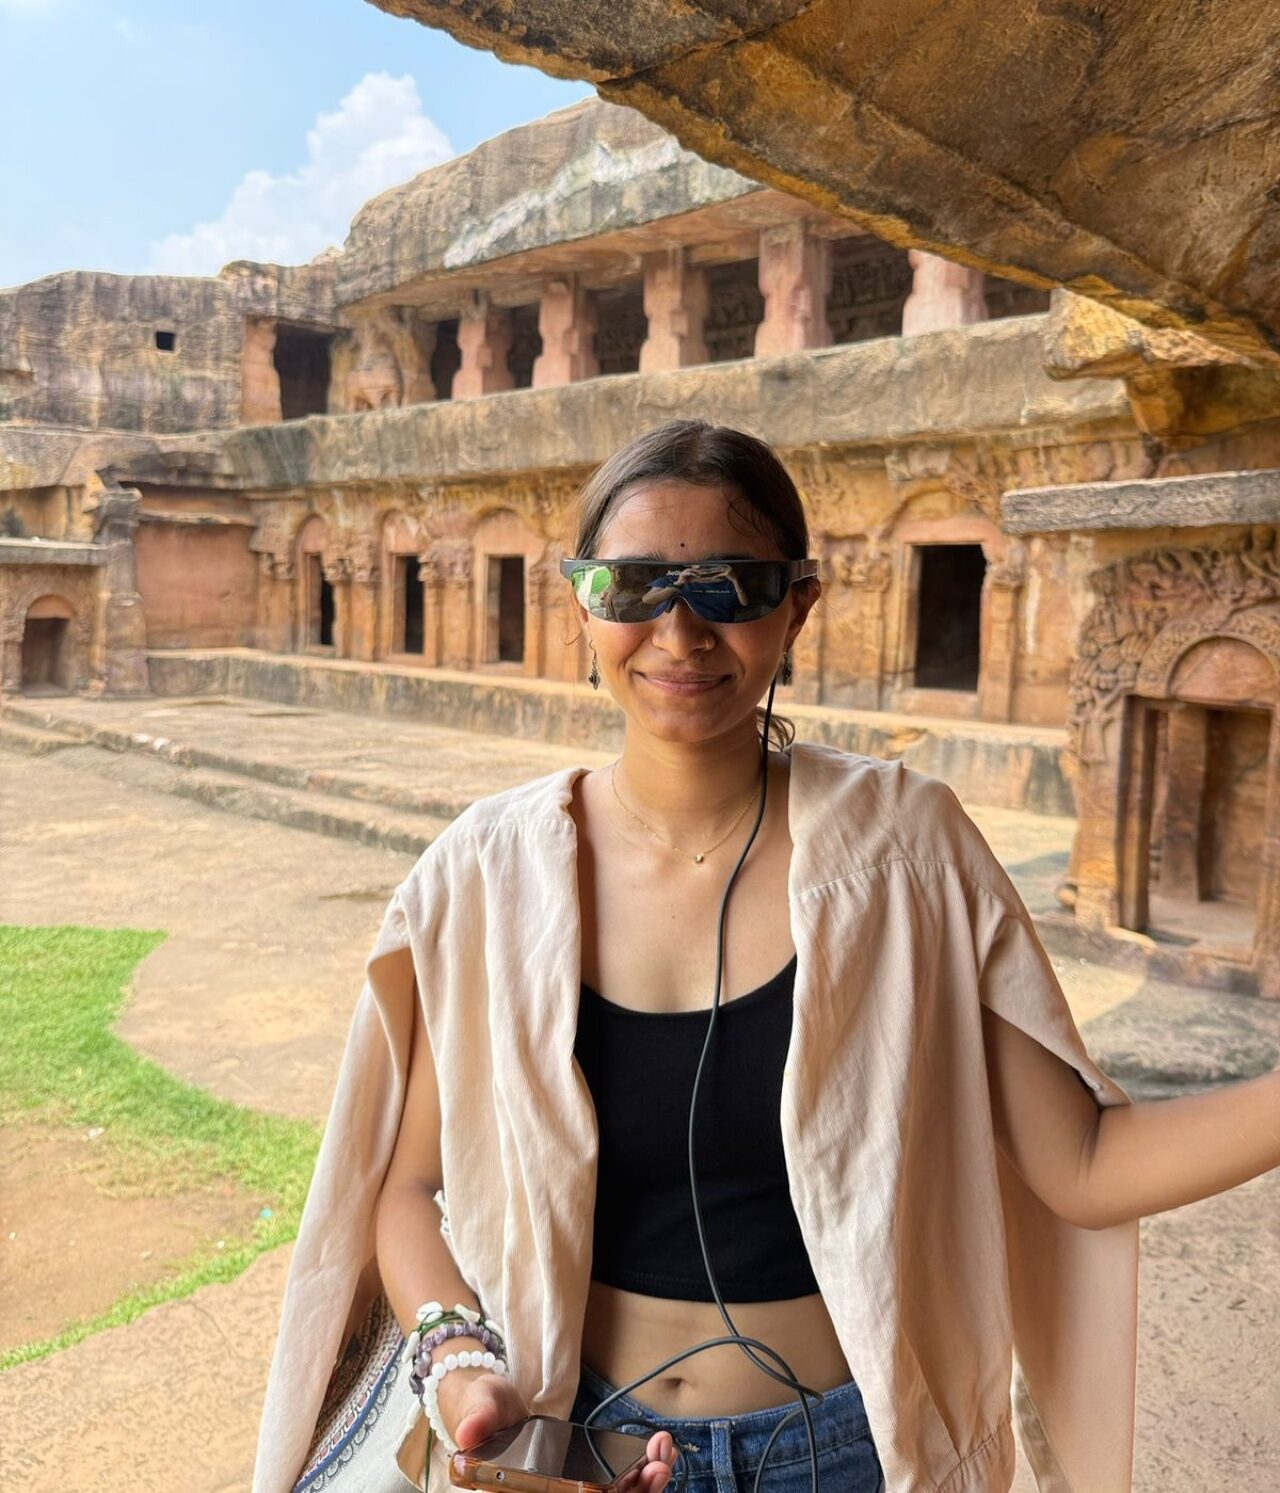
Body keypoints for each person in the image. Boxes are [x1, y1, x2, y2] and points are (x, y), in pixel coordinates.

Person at [256, 421, 1280, 1493]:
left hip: (839, 1455)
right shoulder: (489, 874)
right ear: (582, 605)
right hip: (580, 1443)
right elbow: (409, 1187)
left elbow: (1082, 1164)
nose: (680, 629)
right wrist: (459, 1360)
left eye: (731, 586)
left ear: (798, 607)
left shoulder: (904, 853)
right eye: (633, 585)